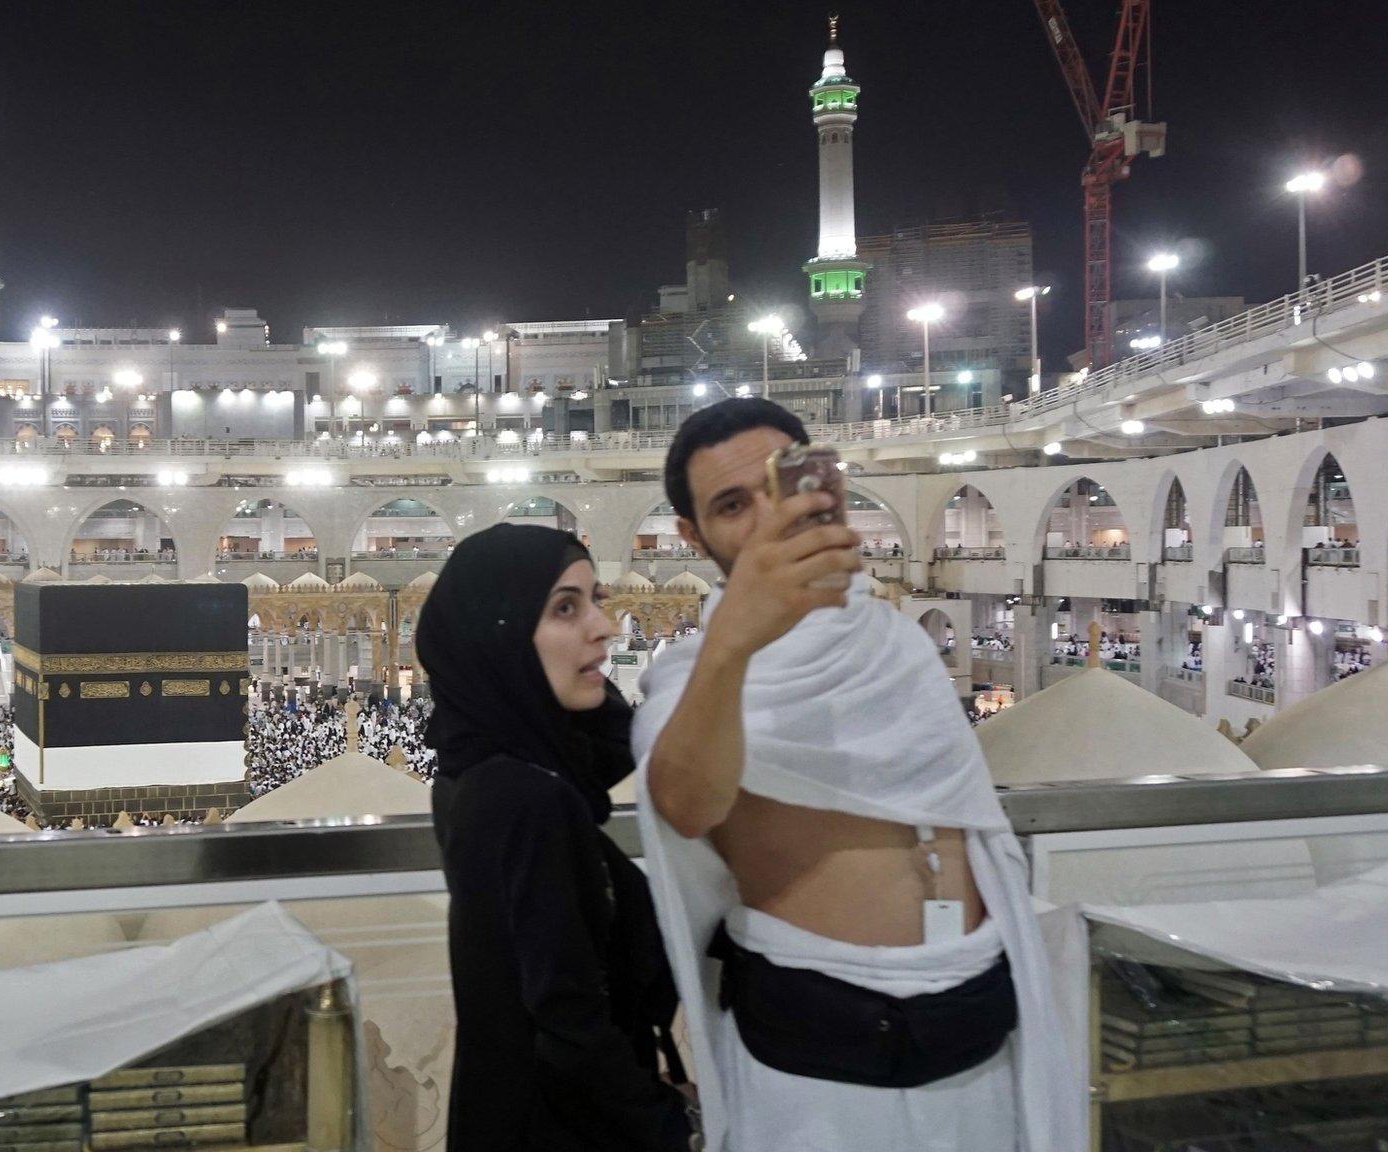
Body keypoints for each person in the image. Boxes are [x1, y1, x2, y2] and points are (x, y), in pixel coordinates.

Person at [632, 398, 1080, 1151]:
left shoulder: (895, 643)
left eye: (784, 484)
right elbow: (683, 800)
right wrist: (733, 644)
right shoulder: (693, 677)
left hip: (973, 1007)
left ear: (825, 483)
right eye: (733, 505)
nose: (769, 518)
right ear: (692, 535)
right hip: (817, 1044)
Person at [417, 523, 692, 1152]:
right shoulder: (525, 798)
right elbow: (569, 1025)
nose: (603, 626)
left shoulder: (477, 769)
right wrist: (671, 1126)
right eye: (565, 607)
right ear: (501, 636)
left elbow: (607, 749)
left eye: (595, 600)